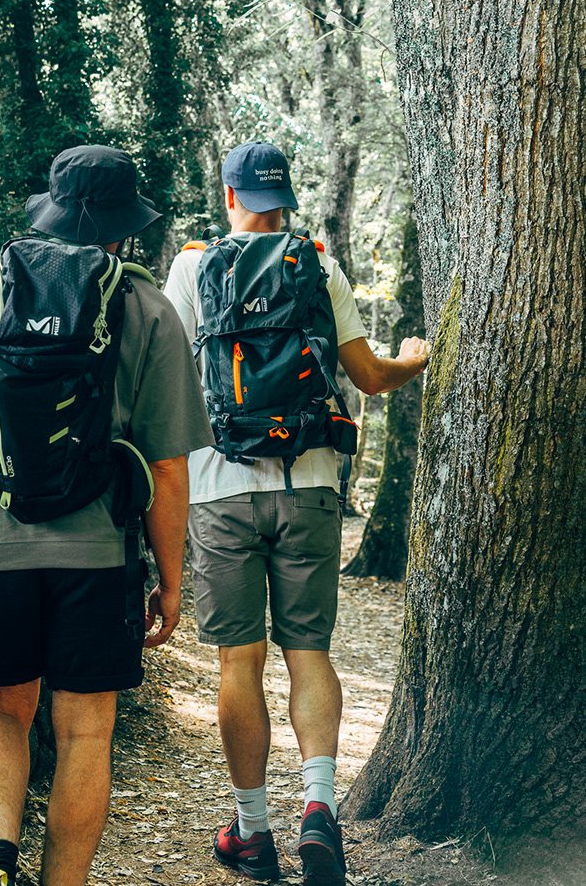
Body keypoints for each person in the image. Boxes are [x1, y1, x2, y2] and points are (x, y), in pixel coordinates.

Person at [0, 145, 214, 886]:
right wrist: (171, 582)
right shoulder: (145, 307)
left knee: (1, 711)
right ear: (123, 226)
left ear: (52, 211)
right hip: (97, 552)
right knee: (84, 730)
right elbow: (169, 467)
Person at [164, 141, 430, 886]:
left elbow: (165, 376)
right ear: (286, 197)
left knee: (237, 661)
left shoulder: (192, 267)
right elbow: (370, 379)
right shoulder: (317, 262)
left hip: (221, 486)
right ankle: (319, 813)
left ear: (229, 196)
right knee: (308, 652)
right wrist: (415, 357)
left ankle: (253, 832)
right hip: (310, 479)